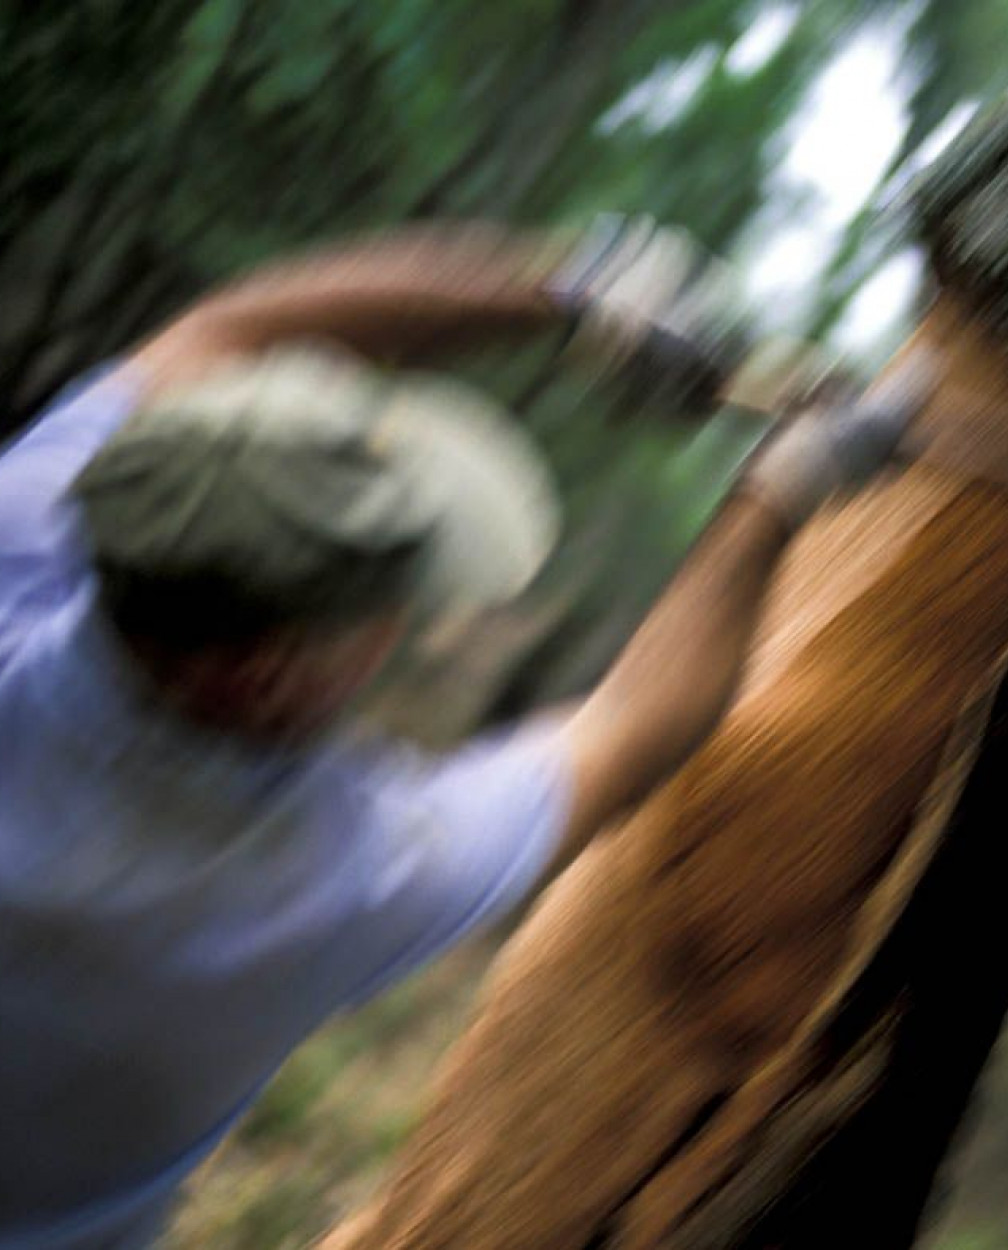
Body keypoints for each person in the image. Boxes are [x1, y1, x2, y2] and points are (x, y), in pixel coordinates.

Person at [0, 219, 930, 1248]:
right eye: (388, 599)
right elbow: (632, 725)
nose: (408, 624)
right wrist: (777, 491)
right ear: (264, 674)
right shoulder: (325, 876)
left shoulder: (27, 531)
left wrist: (572, 293)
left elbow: (231, 325)